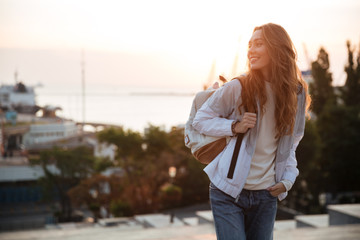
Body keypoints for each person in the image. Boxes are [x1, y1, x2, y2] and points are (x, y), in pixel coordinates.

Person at [192, 23, 311, 240]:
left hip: (266, 196)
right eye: (250, 45)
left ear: (276, 48)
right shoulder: (239, 86)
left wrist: (288, 179)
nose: (251, 51)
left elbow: (292, 142)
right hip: (228, 194)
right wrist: (233, 127)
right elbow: (200, 120)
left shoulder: (296, 92)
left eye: (258, 44)